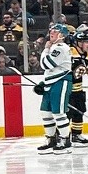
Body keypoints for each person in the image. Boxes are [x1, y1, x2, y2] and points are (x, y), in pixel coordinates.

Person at [33, 24, 75, 153]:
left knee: (58, 112)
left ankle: (65, 139)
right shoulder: (55, 47)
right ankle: (50, 138)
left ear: (62, 35)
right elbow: (49, 71)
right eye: (51, 31)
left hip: (61, 82)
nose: (51, 33)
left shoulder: (61, 48)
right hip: (51, 82)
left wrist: (45, 50)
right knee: (46, 112)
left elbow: (46, 64)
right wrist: (44, 82)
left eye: (55, 32)